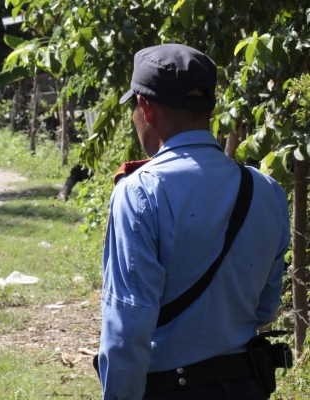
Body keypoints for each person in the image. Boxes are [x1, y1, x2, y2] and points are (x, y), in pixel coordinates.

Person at [97, 43, 290, 400]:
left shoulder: (141, 192)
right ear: (209, 108)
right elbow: (265, 308)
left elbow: (127, 330)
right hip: (248, 386)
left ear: (146, 108)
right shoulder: (267, 190)